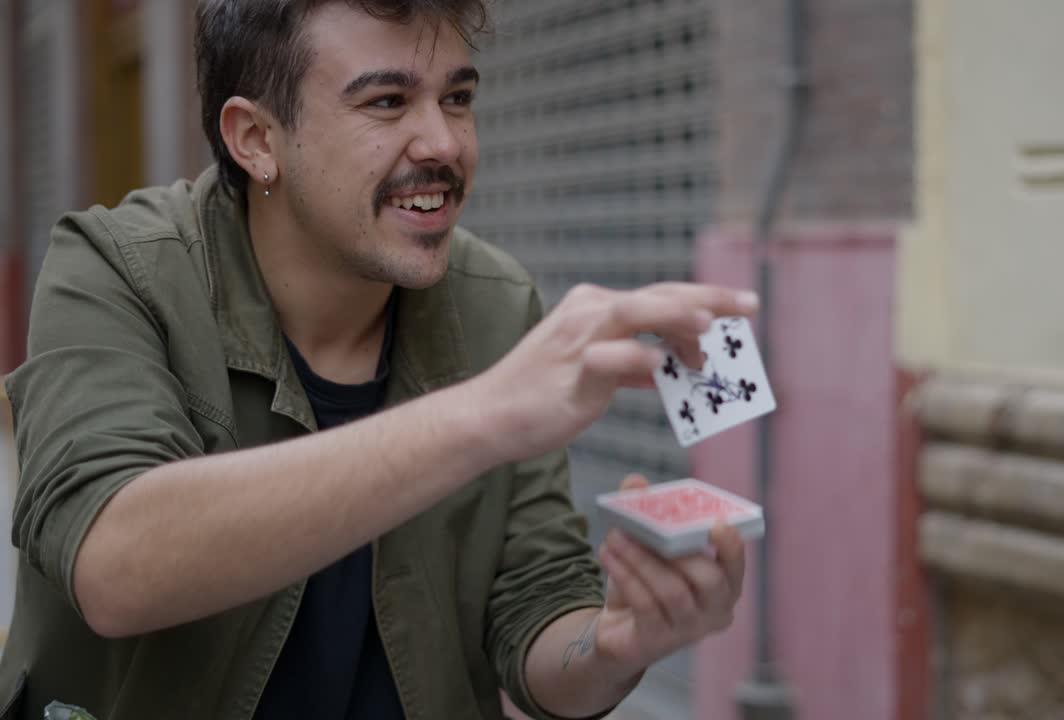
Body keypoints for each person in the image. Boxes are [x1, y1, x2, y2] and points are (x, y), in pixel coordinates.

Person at [0, 1, 758, 718]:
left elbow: (537, 617)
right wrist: (486, 413)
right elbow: (115, 563)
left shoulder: (495, 303)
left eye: (457, 98)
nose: (443, 143)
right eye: (387, 103)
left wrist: (620, 644)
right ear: (256, 140)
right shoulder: (116, 269)